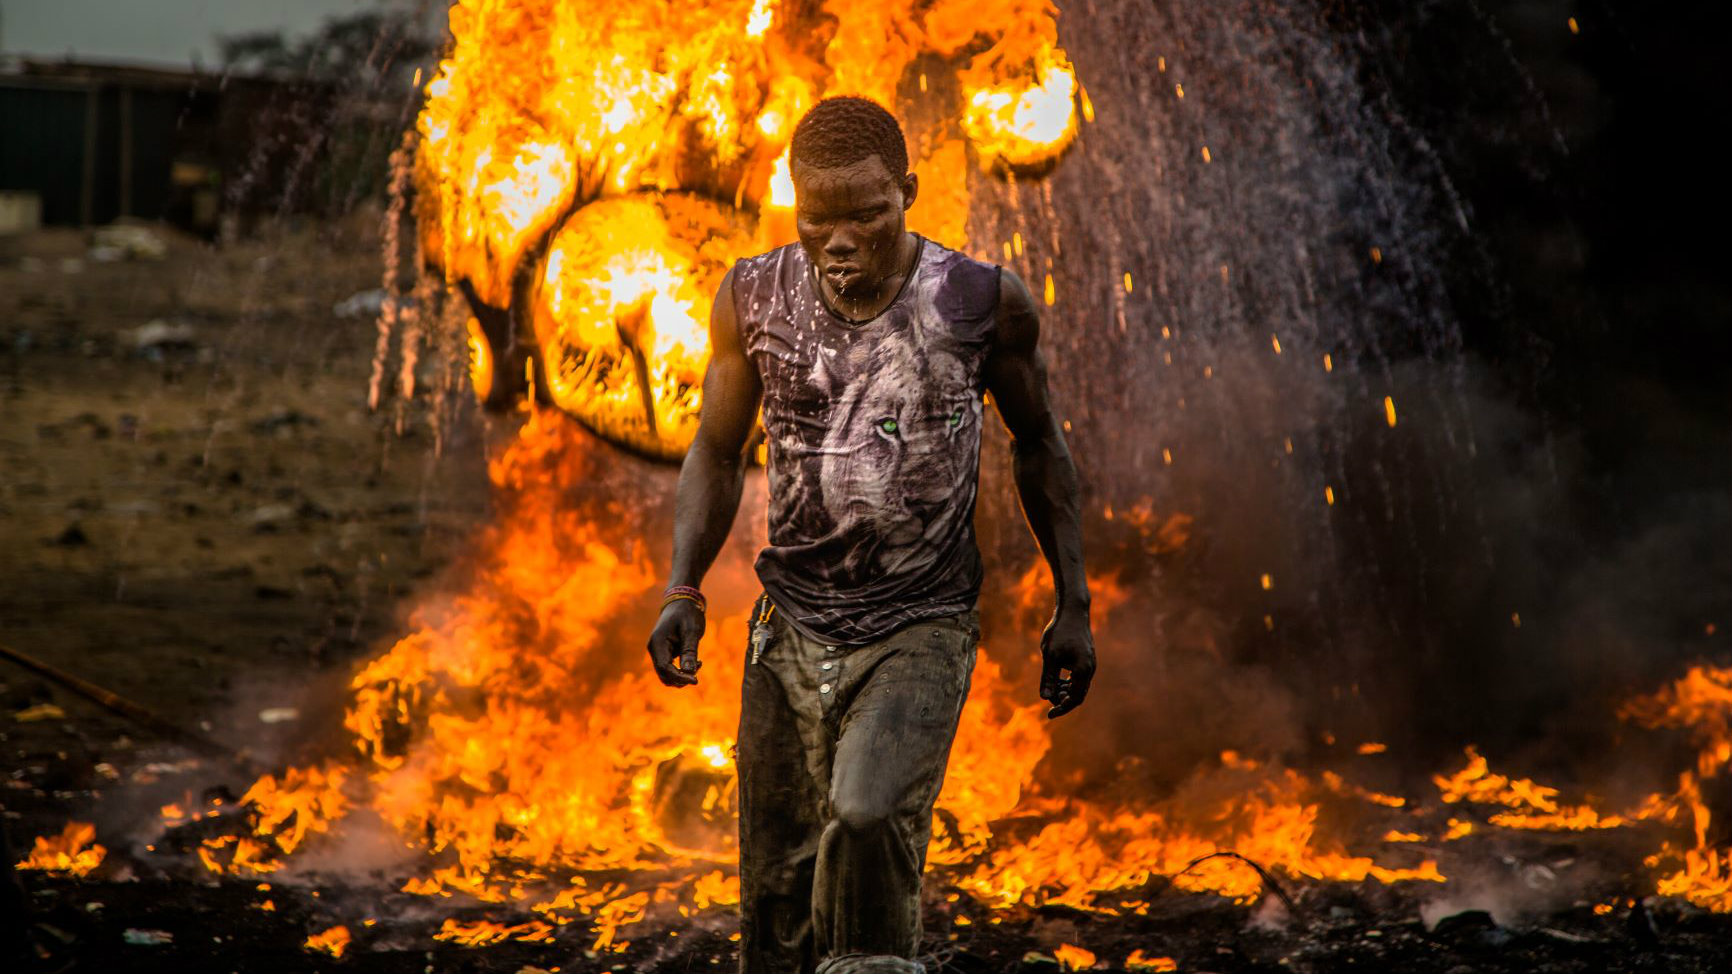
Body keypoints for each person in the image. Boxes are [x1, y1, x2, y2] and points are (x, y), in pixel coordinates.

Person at [646, 96, 1095, 974]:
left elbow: (1039, 445)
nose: (840, 237)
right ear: (795, 209)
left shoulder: (979, 300)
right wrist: (682, 588)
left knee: (863, 816)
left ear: (909, 195)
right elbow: (714, 447)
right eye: (820, 218)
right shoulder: (752, 295)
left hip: (920, 624)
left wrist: (1072, 601)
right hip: (788, 632)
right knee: (778, 912)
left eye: (867, 214)